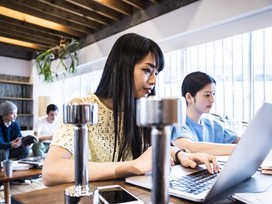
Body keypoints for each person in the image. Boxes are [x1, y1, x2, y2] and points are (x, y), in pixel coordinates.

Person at [42, 33, 219, 187]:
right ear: (121, 67)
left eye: (156, 73)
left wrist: (182, 155)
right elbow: (51, 171)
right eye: (146, 70)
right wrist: (131, 166)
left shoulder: (139, 110)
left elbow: (150, 151)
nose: (153, 81)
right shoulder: (82, 106)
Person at [171, 71, 240, 156]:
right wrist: (239, 148)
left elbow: (241, 140)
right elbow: (190, 148)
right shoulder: (177, 125)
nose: (212, 100)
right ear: (189, 97)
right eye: (207, 95)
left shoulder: (212, 126)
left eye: (213, 94)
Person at [0, 101, 31, 167]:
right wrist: (11, 144)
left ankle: (18, 169)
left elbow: (18, 138)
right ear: (4, 114)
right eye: (12, 113)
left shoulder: (15, 124)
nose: (15, 115)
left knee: (25, 150)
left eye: (16, 113)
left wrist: (25, 143)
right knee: (4, 152)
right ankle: (3, 174)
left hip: (7, 148)